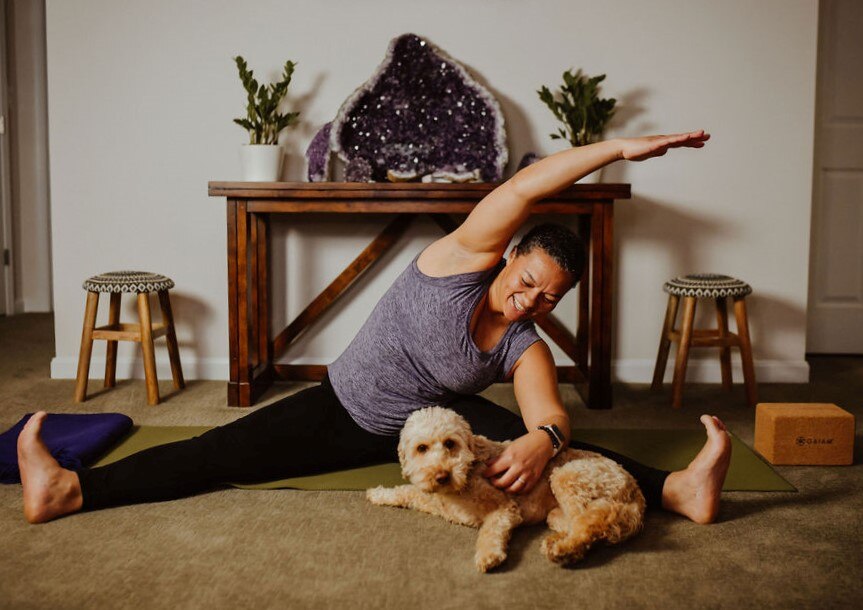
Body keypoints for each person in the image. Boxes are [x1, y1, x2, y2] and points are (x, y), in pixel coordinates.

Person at [18, 130, 730, 526]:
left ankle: (675, 491)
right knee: (214, 455)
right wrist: (615, 148)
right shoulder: (457, 261)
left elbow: (548, 410)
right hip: (345, 410)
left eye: (548, 299)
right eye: (525, 284)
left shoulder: (521, 341)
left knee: (543, 450)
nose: (527, 303)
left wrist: (541, 441)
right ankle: (71, 492)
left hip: (440, 430)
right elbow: (519, 188)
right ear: (507, 259)